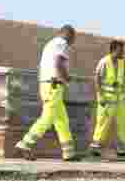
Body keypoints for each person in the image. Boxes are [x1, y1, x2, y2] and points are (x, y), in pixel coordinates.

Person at [15, 25, 80, 161]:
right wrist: (66, 78)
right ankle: (25, 144)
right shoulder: (62, 44)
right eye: (73, 37)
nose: (73, 41)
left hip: (47, 84)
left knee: (61, 120)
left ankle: (69, 153)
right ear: (68, 34)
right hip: (54, 85)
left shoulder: (50, 44)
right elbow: (59, 63)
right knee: (48, 117)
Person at [88, 40, 125, 160]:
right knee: (102, 124)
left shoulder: (122, 62)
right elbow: (97, 78)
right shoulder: (104, 62)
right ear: (114, 49)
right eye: (121, 49)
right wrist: (101, 96)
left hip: (120, 100)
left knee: (124, 124)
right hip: (107, 100)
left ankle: (124, 150)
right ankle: (95, 148)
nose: (123, 52)